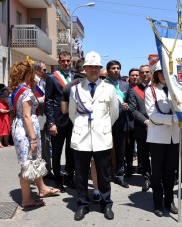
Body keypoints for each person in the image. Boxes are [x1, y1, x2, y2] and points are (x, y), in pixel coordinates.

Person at [62, 51, 118, 221]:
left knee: (104, 173)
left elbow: (114, 113)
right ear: (85, 69)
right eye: (90, 67)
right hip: (82, 137)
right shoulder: (76, 89)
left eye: (96, 67)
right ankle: (82, 204)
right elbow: (72, 113)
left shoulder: (108, 88)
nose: (93, 69)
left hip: (102, 136)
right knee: (80, 174)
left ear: (100, 69)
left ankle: (106, 203)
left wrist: (102, 126)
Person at [9, 60, 59, 208]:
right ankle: (26, 200)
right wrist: (32, 139)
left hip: (21, 127)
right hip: (26, 130)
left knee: (33, 161)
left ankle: (42, 188)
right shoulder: (26, 91)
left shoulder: (17, 89)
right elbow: (26, 116)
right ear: (29, 74)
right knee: (27, 165)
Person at [145, 62, 179, 217]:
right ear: (156, 74)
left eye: (167, 72)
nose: (164, 75)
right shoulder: (150, 90)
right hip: (157, 137)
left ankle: (169, 200)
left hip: (173, 137)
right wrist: (174, 119)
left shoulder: (177, 89)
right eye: (161, 72)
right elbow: (153, 115)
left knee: (170, 173)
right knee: (157, 173)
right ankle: (158, 202)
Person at [45, 51, 75, 192]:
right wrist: (51, 123)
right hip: (58, 121)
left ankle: (69, 177)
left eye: (68, 60)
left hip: (73, 120)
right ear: (59, 61)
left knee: (71, 151)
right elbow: (49, 101)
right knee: (56, 152)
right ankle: (57, 180)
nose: (65, 63)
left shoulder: (75, 77)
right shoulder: (52, 77)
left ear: (71, 61)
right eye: (63, 60)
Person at [106, 60, 130, 188]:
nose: (116, 70)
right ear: (108, 70)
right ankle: (107, 173)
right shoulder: (103, 84)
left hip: (121, 122)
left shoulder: (126, 86)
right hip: (106, 121)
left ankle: (120, 175)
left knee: (121, 150)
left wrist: (127, 106)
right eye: (113, 68)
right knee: (106, 149)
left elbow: (131, 103)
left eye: (118, 68)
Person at [128, 64, 152, 191]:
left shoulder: (157, 88)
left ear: (151, 73)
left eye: (147, 72)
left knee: (157, 155)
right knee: (143, 155)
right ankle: (147, 178)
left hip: (158, 127)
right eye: (142, 72)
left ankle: (157, 177)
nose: (145, 74)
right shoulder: (134, 90)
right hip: (142, 128)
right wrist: (145, 121)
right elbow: (132, 109)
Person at [33, 61, 54, 179]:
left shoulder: (44, 83)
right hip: (36, 116)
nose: (46, 72)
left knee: (45, 143)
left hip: (45, 115)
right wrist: (44, 99)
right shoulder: (32, 83)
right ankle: (36, 171)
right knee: (37, 145)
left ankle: (47, 170)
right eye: (44, 70)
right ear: (36, 70)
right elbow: (31, 99)